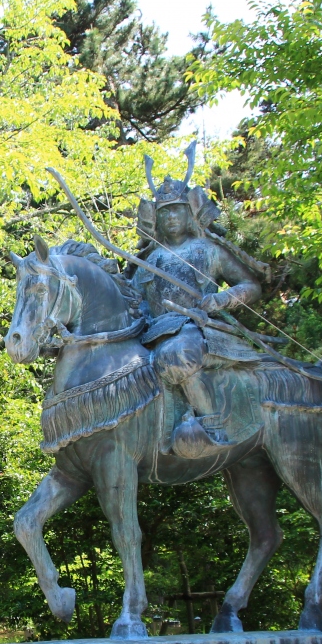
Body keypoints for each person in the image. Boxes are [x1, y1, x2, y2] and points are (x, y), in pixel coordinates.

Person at [134, 148, 269, 458]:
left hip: (198, 329)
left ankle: (212, 426)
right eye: (164, 212)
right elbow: (134, 300)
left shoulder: (208, 250)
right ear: (156, 218)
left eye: (177, 210)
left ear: (189, 214)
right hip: (152, 333)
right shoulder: (148, 260)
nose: (171, 217)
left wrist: (221, 299)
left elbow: (251, 286)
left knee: (178, 354)